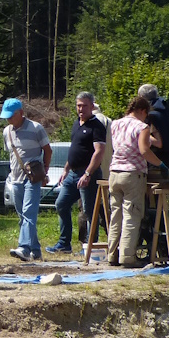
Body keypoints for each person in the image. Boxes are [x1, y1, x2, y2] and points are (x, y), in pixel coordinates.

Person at [105, 96, 161, 267]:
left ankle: (112, 255)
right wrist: (160, 164)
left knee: (116, 216)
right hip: (132, 174)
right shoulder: (141, 127)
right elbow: (144, 150)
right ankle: (127, 257)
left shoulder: (115, 124)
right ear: (143, 111)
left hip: (114, 173)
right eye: (146, 114)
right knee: (131, 215)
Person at [50, 92, 108, 255]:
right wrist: (66, 169)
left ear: (92, 106)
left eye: (84, 106)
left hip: (88, 174)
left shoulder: (97, 126)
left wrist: (88, 174)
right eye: (78, 105)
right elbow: (75, 149)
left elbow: (99, 151)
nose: (81, 109)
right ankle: (64, 243)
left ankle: (90, 246)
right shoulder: (77, 123)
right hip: (73, 174)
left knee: (89, 212)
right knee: (61, 204)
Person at [1, 99, 51, 262]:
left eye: (11, 116)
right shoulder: (6, 132)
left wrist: (44, 172)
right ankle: (35, 250)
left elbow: (48, 150)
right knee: (23, 216)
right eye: (6, 116)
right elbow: (11, 154)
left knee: (29, 212)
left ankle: (24, 247)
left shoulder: (36, 128)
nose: (8, 119)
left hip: (32, 178)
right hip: (15, 179)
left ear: (21, 113)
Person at [139, 84, 169, 176]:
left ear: (142, 97)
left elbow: (157, 142)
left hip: (154, 160)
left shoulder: (150, 114)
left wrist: (140, 134)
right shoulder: (168, 112)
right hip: (167, 158)